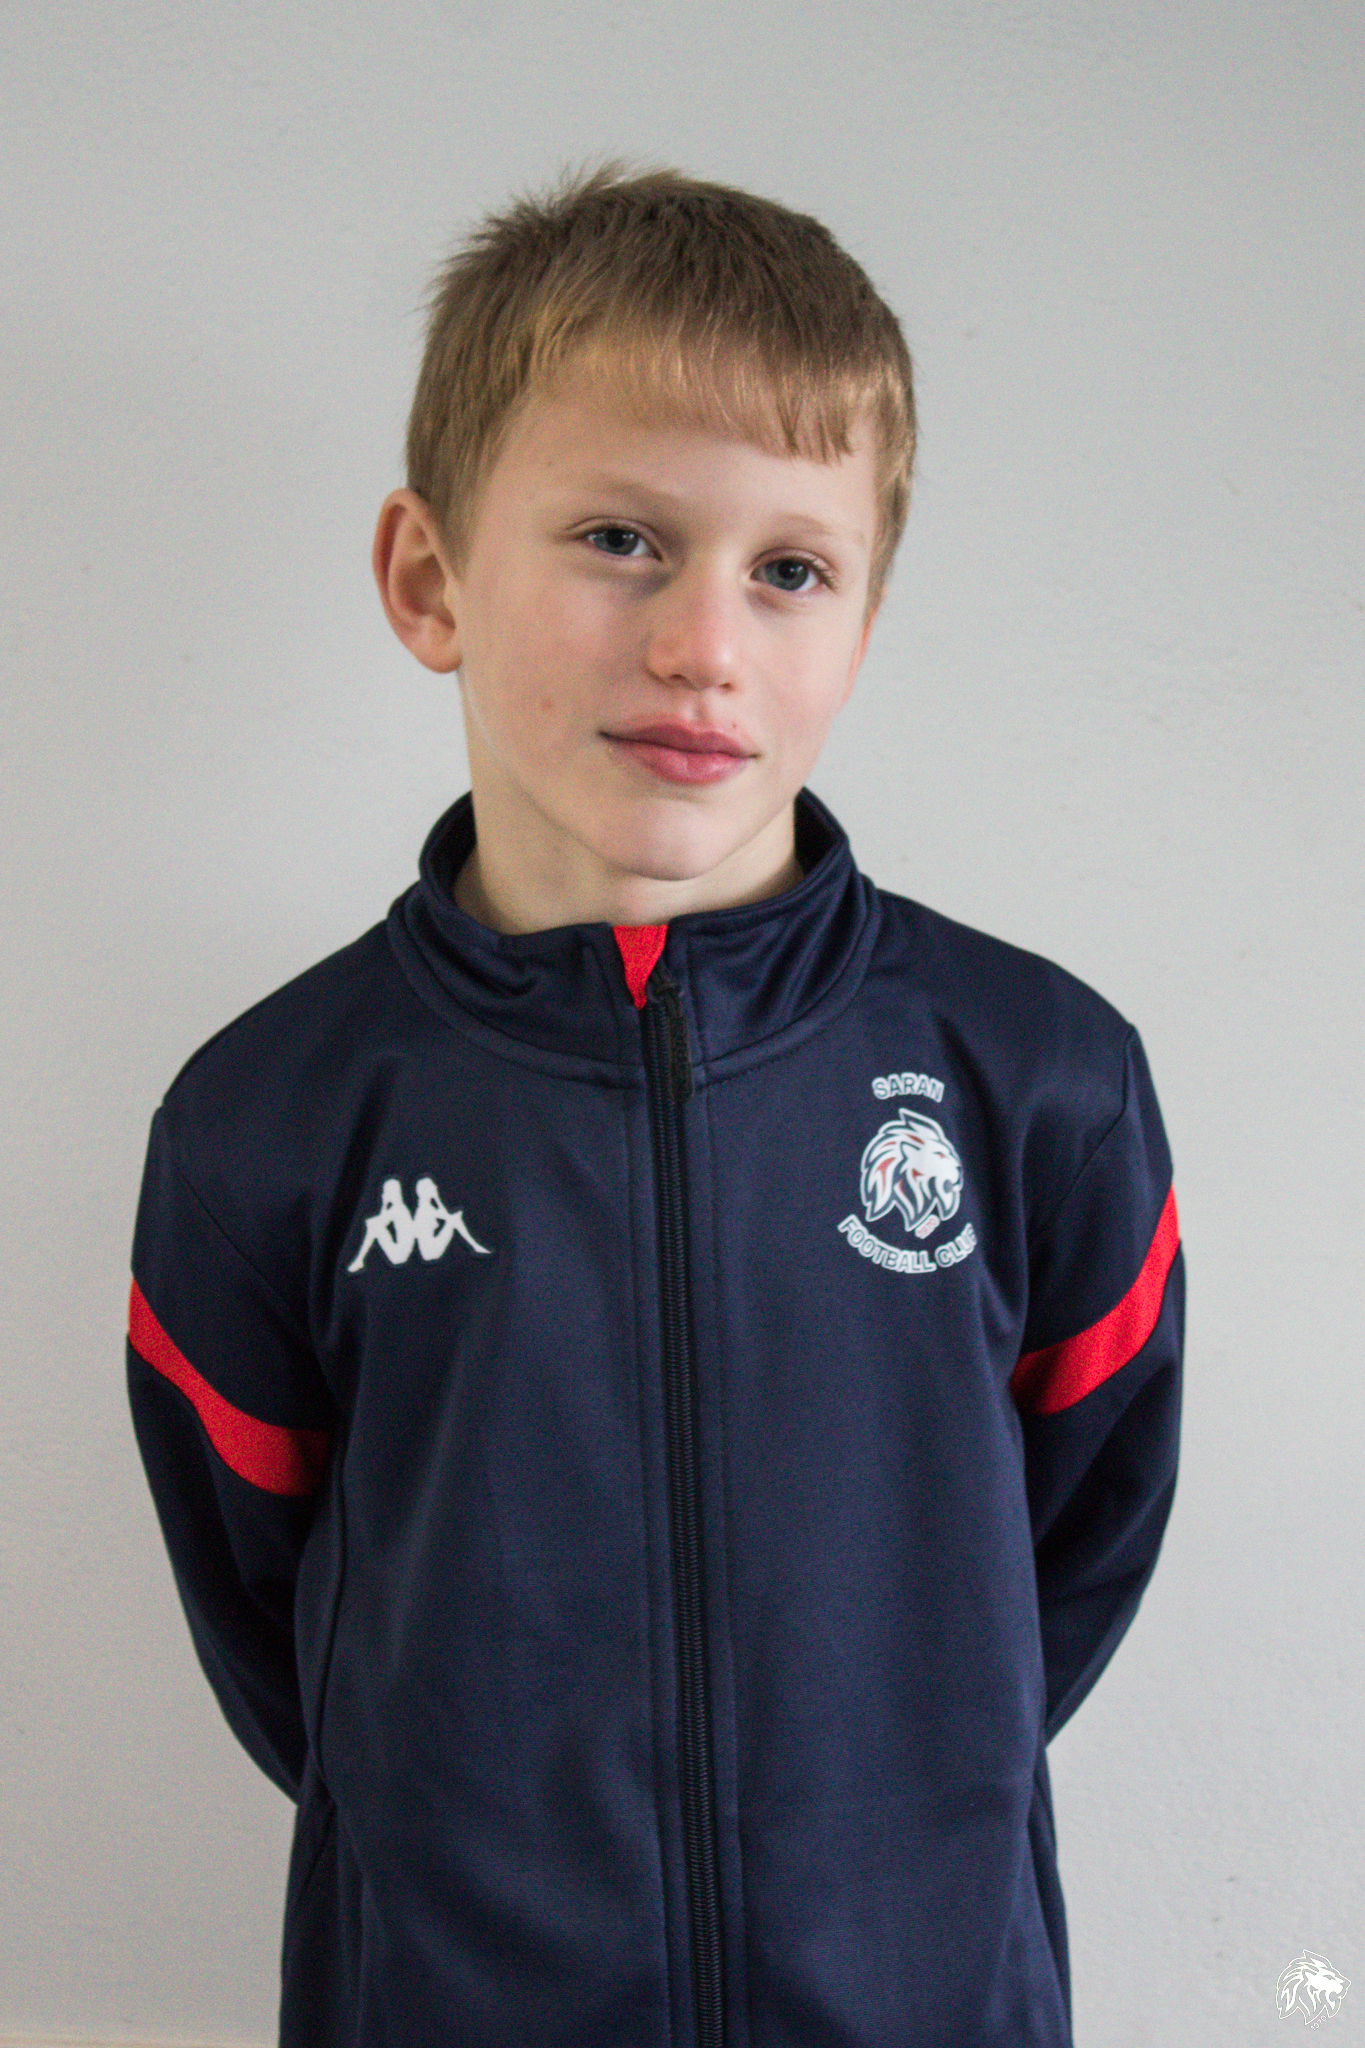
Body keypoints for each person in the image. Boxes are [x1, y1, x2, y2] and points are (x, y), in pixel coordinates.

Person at [125, 159, 1184, 2048]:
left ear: (862, 623)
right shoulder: (266, 1120)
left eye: (790, 570)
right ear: (430, 580)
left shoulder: (1038, 1080)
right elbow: (278, 1612)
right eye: (621, 538)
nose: (705, 644)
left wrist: (892, 1812)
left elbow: (1068, 1550)